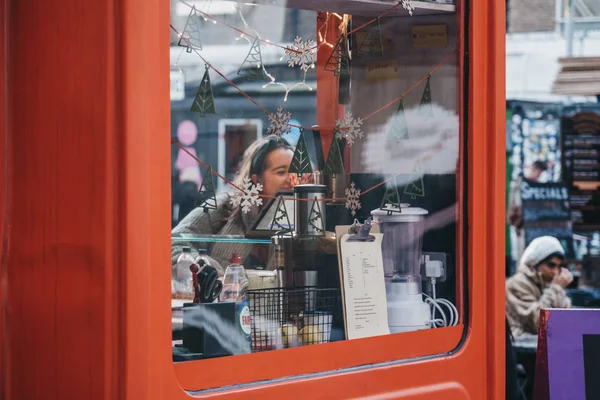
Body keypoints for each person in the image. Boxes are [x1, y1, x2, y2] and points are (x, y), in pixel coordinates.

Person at [171, 135, 303, 274]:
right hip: (221, 294)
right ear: (257, 179)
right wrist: (212, 274)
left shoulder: (303, 218)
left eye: (296, 172)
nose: (292, 180)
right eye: (281, 172)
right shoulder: (225, 205)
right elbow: (174, 244)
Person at [505, 236, 573, 339]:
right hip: (521, 347)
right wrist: (556, 288)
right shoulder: (517, 284)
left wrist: (558, 290)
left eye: (559, 266)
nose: (555, 272)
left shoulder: (549, 283)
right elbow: (539, 322)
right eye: (551, 265)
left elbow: (564, 320)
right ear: (535, 264)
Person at [507, 160, 548, 272]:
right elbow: (514, 207)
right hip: (522, 227)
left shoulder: (534, 186)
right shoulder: (519, 184)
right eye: (538, 173)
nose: (538, 177)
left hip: (533, 227)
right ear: (533, 169)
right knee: (522, 258)